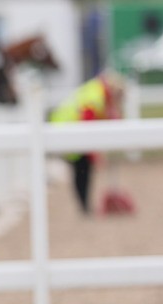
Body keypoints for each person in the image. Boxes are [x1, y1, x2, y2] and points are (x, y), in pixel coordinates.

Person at [49, 71, 124, 214]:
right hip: (67, 131)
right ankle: (84, 207)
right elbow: (88, 124)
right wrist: (94, 154)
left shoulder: (97, 91)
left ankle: (84, 207)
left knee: (82, 170)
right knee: (82, 169)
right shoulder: (96, 96)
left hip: (68, 129)